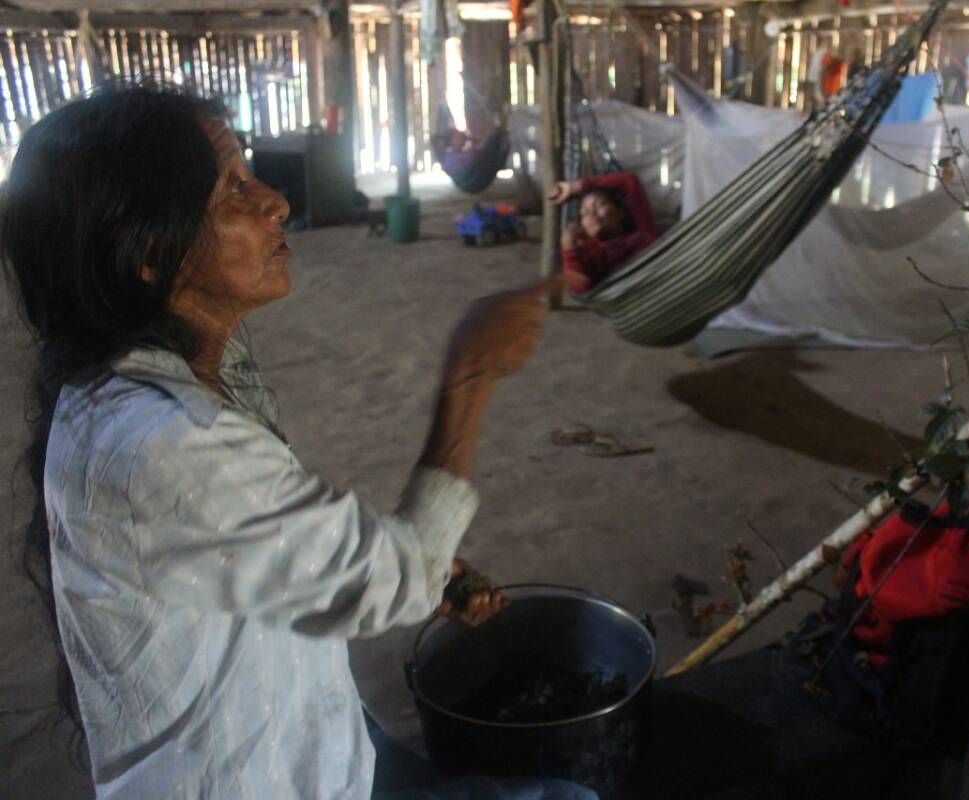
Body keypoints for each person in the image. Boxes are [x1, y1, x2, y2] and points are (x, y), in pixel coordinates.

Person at [4, 84, 591, 800]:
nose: (276, 202)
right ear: (149, 254)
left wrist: (417, 569)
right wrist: (470, 375)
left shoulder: (135, 383)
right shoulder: (164, 442)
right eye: (233, 191)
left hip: (307, 732)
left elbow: (257, 540)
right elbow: (391, 581)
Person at [547, 172, 659, 294]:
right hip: (626, 303)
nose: (592, 214)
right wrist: (569, 248)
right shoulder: (588, 254)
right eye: (584, 212)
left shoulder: (643, 233)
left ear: (621, 212)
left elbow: (630, 181)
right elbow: (579, 288)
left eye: (600, 204)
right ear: (583, 226)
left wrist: (575, 187)